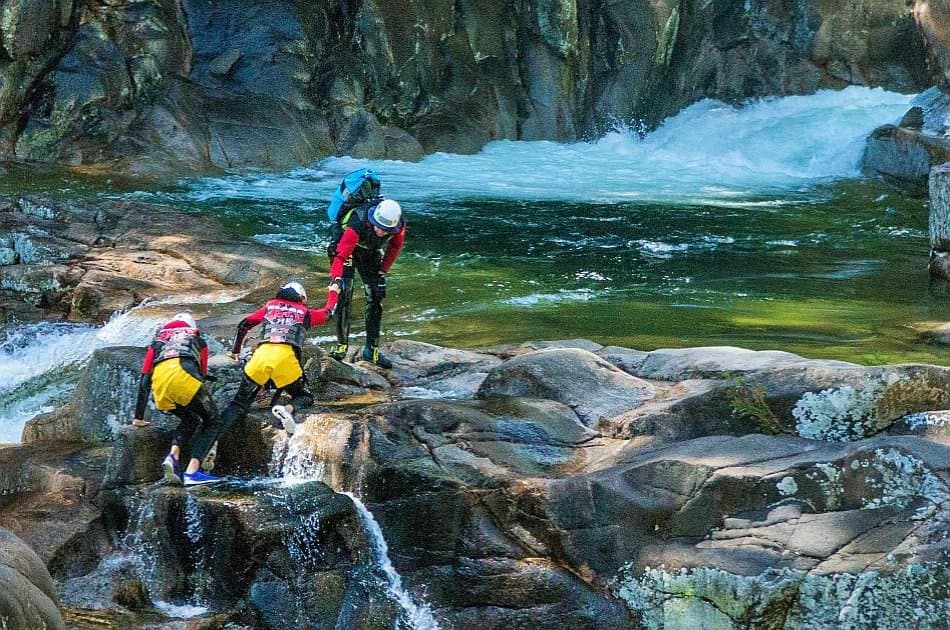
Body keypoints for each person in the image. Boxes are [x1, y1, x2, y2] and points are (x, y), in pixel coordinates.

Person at [222, 281, 339, 435]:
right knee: (304, 396)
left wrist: (235, 351)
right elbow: (329, 312)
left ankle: (215, 440)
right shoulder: (305, 313)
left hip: (260, 361)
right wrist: (334, 292)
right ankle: (287, 409)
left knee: (238, 404)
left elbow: (244, 324)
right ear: (302, 299)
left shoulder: (270, 306)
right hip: (286, 364)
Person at [132, 312, 223, 487]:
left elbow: (144, 381)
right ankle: (192, 471)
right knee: (212, 421)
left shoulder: (157, 342)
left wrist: (139, 417)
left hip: (161, 386)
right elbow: (201, 373)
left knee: (190, 419)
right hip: (184, 378)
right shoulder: (198, 339)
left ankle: (173, 456)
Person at [326, 197, 405, 368]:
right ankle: (341, 346)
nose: (381, 232)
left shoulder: (398, 226)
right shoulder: (358, 223)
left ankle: (371, 350)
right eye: (379, 226)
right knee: (344, 292)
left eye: (386, 230)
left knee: (376, 294)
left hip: (370, 251)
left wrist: (384, 269)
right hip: (346, 248)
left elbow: (395, 247)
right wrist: (336, 280)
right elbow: (340, 257)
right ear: (372, 220)